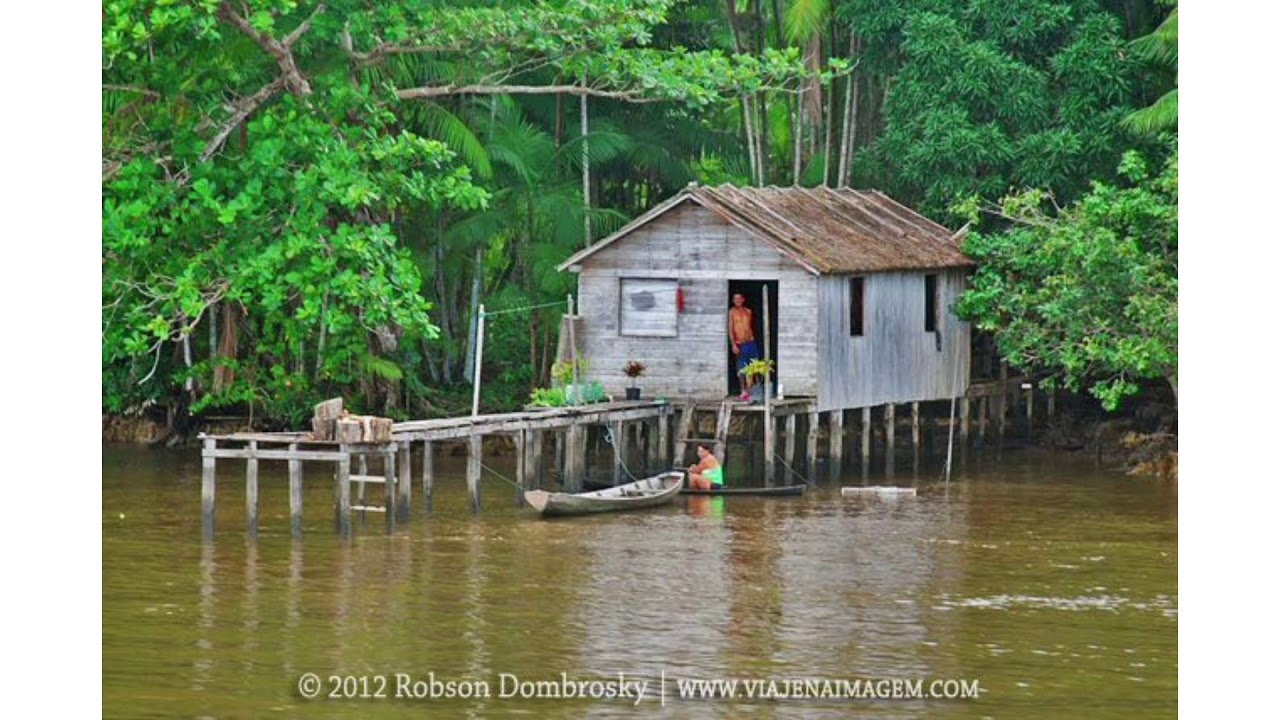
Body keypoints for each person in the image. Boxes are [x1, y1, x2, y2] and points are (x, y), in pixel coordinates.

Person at [729, 293, 760, 401]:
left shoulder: (748, 311)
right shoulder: (732, 312)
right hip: (740, 343)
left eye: (739, 298)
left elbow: (752, 327)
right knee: (741, 368)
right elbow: (731, 329)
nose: (737, 300)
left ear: (743, 299)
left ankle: (752, 390)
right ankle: (743, 391)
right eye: (735, 299)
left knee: (753, 366)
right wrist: (733, 344)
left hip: (751, 342)